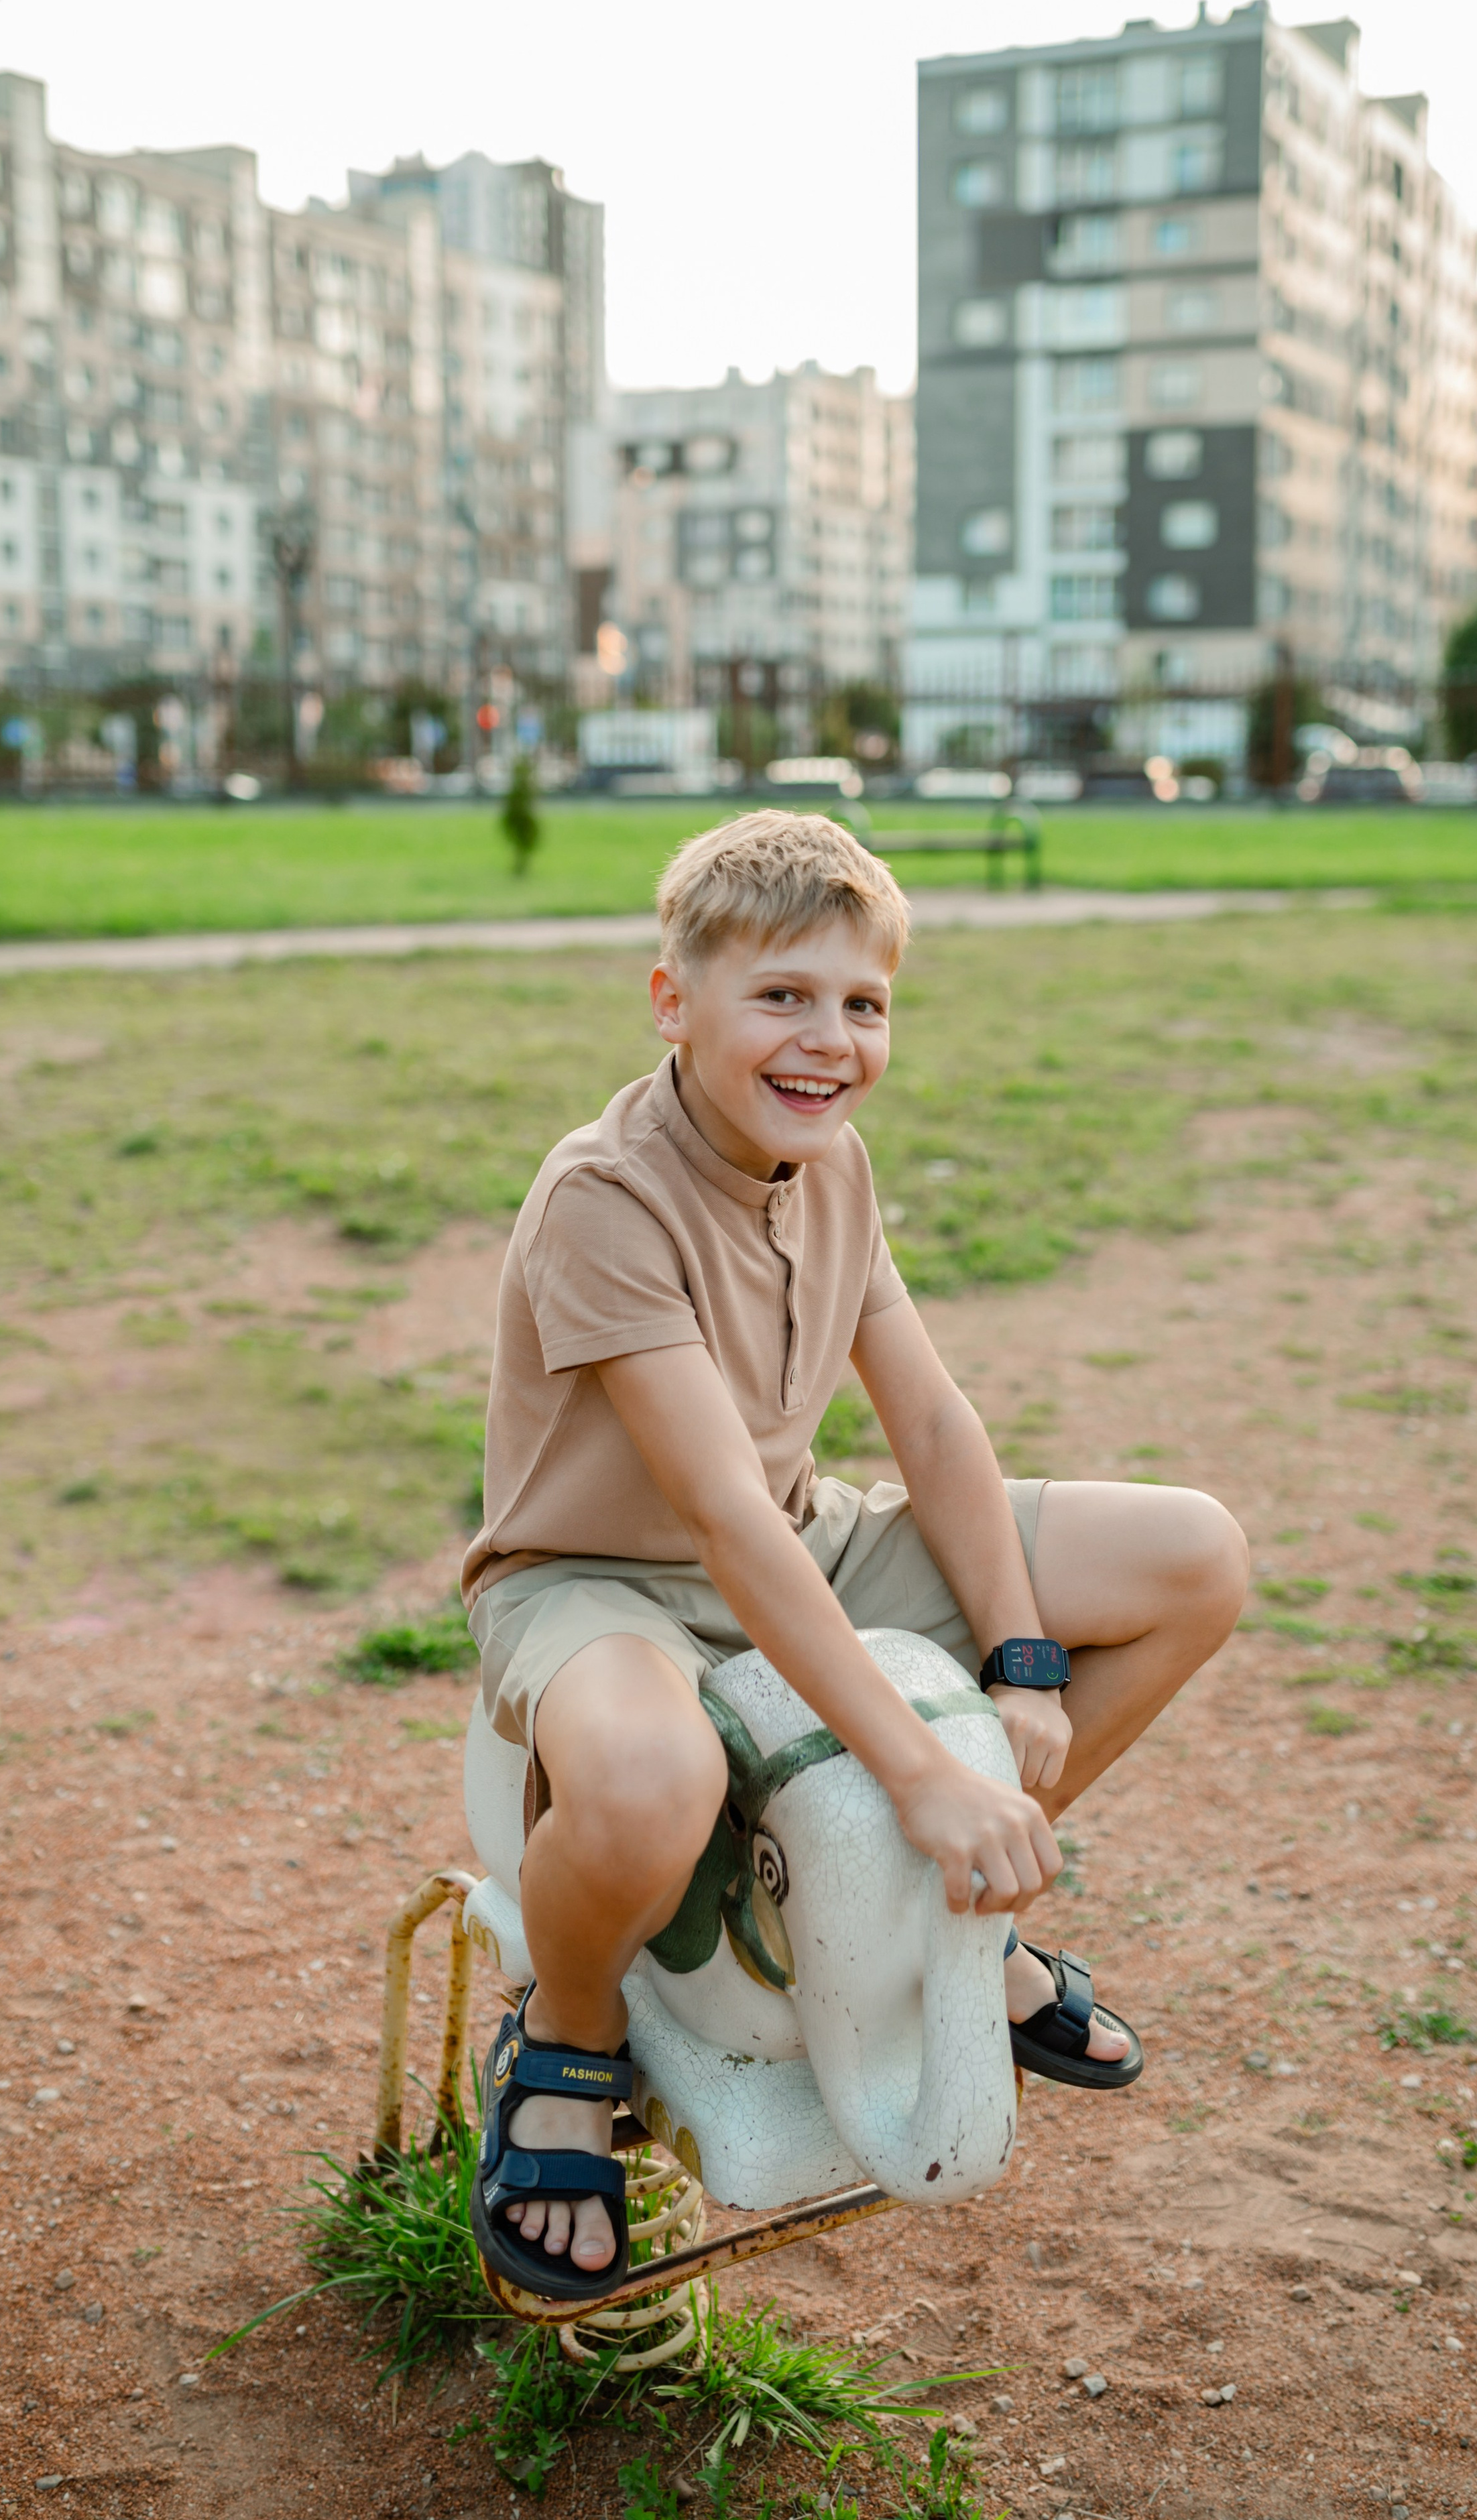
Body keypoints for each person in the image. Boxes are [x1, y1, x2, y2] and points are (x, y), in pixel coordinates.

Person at [463, 811, 1248, 2301]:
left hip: (804, 1537)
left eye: (862, 1003)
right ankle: (566, 2039)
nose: (827, 1041)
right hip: (599, 1581)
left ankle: (946, 1924)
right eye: (781, 997)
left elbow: (935, 1425)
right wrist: (924, 1767)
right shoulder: (602, 1197)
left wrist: (1019, 1661)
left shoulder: (828, 1158)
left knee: (1190, 1560)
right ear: (671, 1002)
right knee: (646, 1782)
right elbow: (717, 1520)